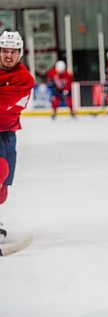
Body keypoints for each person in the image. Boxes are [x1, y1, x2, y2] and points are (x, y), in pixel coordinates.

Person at [0, 31, 35, 242]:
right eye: (4, 50)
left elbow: (5, 104)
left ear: (20, 54)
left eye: (13, 52)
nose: (8, 56)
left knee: (3, 192)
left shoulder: (24, 79)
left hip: (8, 132)